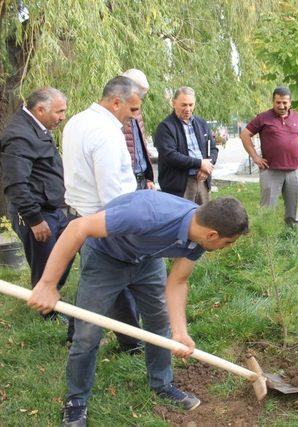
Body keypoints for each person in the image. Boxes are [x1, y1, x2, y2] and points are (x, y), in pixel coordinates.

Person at [26, 191, 249, 427]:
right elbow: (77, 228)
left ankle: (162, 384)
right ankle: (76, 401)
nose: (227, 247)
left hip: (146, 260)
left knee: (158, 322)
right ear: (213, 234)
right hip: (106, 257)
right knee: (87, 333)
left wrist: (180, 331)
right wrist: (48, 285)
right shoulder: (148, 213)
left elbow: (177, 282)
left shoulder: (201, 236)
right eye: (228, 243)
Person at [62, 76, 144, 352]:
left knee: (97, 279)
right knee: (107, 281)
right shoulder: (106, 133)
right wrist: (126, 227)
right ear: (116, 102)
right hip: (102, 219)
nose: (136, 116)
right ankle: (98, 340)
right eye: (132, 109)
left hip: (79, 215)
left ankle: (125, 340)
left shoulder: (76, 121)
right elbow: (111, 193)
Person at [0, 88, 73, 326]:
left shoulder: (36, 127)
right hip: (37, 213)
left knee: (63, 255)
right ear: (40, 110)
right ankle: (47, 313)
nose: (62, 117)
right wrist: (33, 219)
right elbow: (16, 184)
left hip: (53, 208)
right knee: (45, 263)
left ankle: (53, 294)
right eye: (59, 111)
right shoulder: (19, 135)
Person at [240, 86, 298, 225]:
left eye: (285, 102)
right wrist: (255, 157)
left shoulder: (297, 117)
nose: (281, 106)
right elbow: (245, 134)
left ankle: (292, 234)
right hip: (270, 170)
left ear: (290, 102)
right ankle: (266, 236)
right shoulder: (263, 117)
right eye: (278, 102)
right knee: (267, 208)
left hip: (294, 170)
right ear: (273, 101)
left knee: (293, 207)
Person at [154, 87, 218, 205]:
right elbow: (171, 156)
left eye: (191, 105)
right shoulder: (165, 127)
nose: (188, 109)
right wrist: (200, 163)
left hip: (202, 181)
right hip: (180, 185)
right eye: (183, 105)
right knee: (182, 220)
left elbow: (212, 148)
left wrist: (207, 167)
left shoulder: (202, 123)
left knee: (203, 219)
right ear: (173, 103)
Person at [121, 69, 155, 190]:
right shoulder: (117, 113)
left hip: (142, 179)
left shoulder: (137, 111)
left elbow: (141, 144)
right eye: (139, 93)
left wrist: (148, 178)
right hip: (126, 180)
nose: (141, 98)